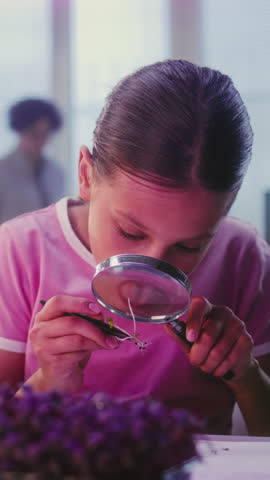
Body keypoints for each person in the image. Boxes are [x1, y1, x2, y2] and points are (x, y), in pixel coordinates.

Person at [0, 60, 269, 436]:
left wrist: (245, 375)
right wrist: (49, 381)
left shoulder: (243, 256)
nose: (149, 276)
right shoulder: (19, 253)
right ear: (85, 176)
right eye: (129, 231)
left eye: (190, 245)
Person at [0, 98, 65, 223]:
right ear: (20, 131)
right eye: (34, 133)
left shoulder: (57, 172)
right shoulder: (2, 171)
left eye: (45, 134)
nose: (40, 141)